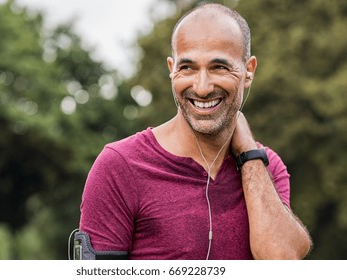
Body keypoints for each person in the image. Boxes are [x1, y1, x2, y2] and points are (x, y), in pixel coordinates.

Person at [77, 3, 312, 260]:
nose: (201, 88)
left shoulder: (265, 167)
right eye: (187, 67)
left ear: (248, 71)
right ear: (171, 69)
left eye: (219, 67)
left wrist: (248, 154)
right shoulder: (119, 166)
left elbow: (282, 262)